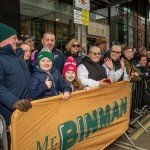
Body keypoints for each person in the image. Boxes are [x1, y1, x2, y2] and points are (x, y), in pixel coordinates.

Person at [0, 23, 32, 127]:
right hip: (9, 116)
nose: (17, 41)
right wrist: (14, 102)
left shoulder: (18, 56)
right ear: (3, 40)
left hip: (25, 112)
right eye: (14, 38)